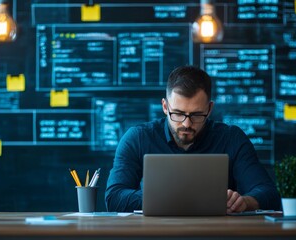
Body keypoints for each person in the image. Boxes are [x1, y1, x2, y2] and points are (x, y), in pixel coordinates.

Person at [105, 65, 281, 213]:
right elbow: (113, 198)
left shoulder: (231, 138)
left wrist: (244, 202)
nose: (186, 124)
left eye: (196, 115)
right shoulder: (138, 138)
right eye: (178, 114)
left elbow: (269, 194)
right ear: (165, 106)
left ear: (209, 109)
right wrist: (162, 197)